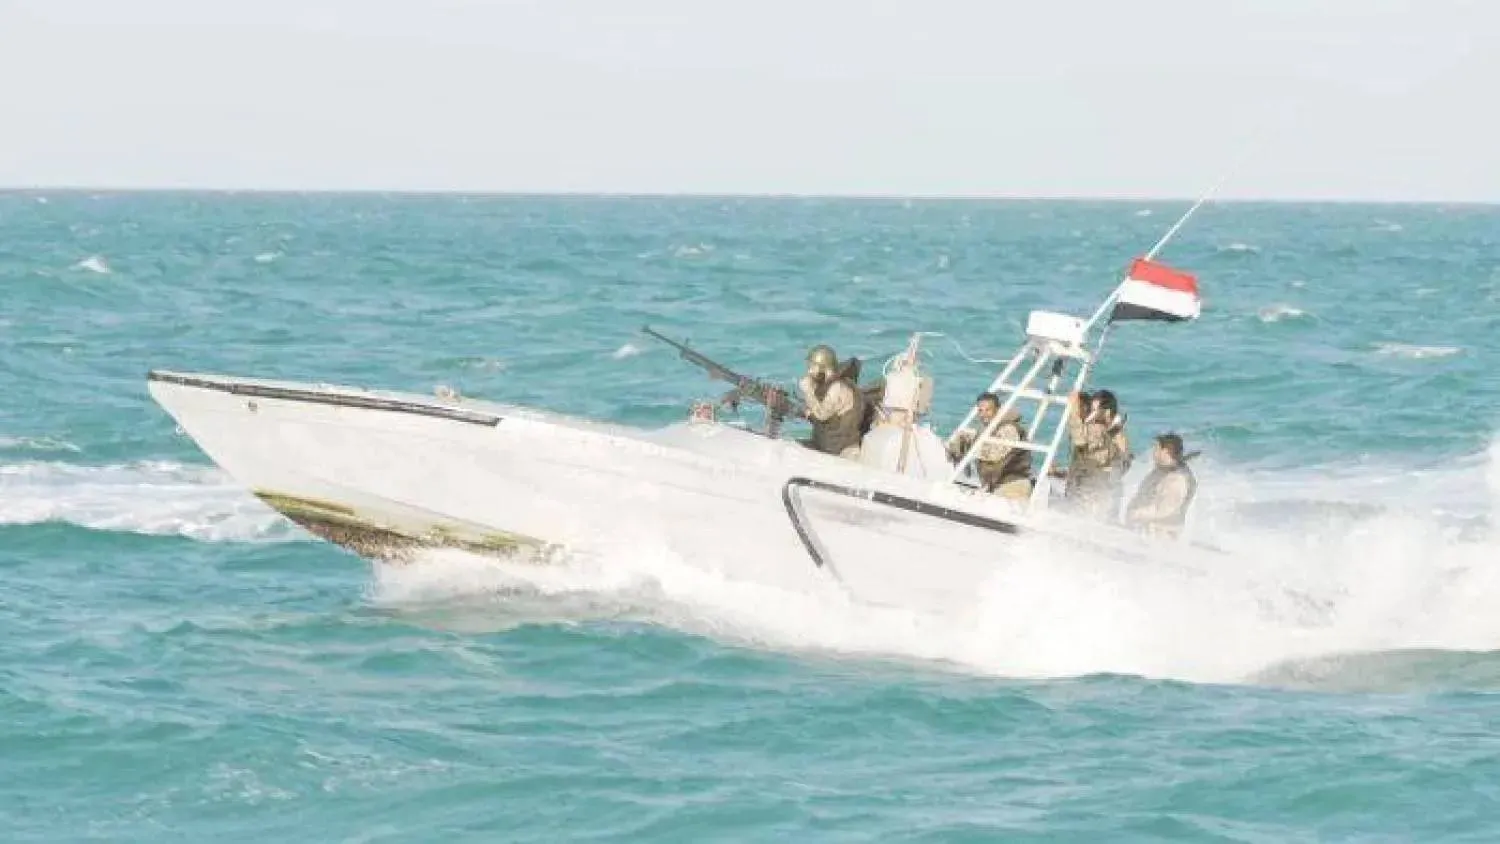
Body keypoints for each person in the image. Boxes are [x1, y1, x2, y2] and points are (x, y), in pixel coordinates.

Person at [948, 392, 1033, 500]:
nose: (983, 414)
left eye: (988, 410)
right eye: (980, 410)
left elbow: (994, 454)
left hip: (1013, 486)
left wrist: (970, 446)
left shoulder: (1009, 428)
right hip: (1000, 485)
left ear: (997, 410)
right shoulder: (991, 430)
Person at [1064, 389, 1130, 521]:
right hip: (1097, 492)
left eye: (1094, 410)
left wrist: (1073, 412)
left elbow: (1080, 440)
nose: (1090, 415)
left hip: (1094, 497)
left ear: (1107, 412)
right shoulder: (1114, 432)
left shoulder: (1104, 431)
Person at [797, 344, 866, 458]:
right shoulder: (828, 385)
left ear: (823, 369)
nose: (809, 372)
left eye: (812, 367)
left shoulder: (837, 388)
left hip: (840, 448)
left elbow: (821, 415)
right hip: (829, 444)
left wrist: (808, 391)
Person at [1125, 433, 1199, 539]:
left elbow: (1164, 510)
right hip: (1146, 532)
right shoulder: (1162, 470)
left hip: (1162, 536)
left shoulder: (1177, 479)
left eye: (1156, 449)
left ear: (1166, 451)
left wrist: (1137, 514)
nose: (1153, 452)